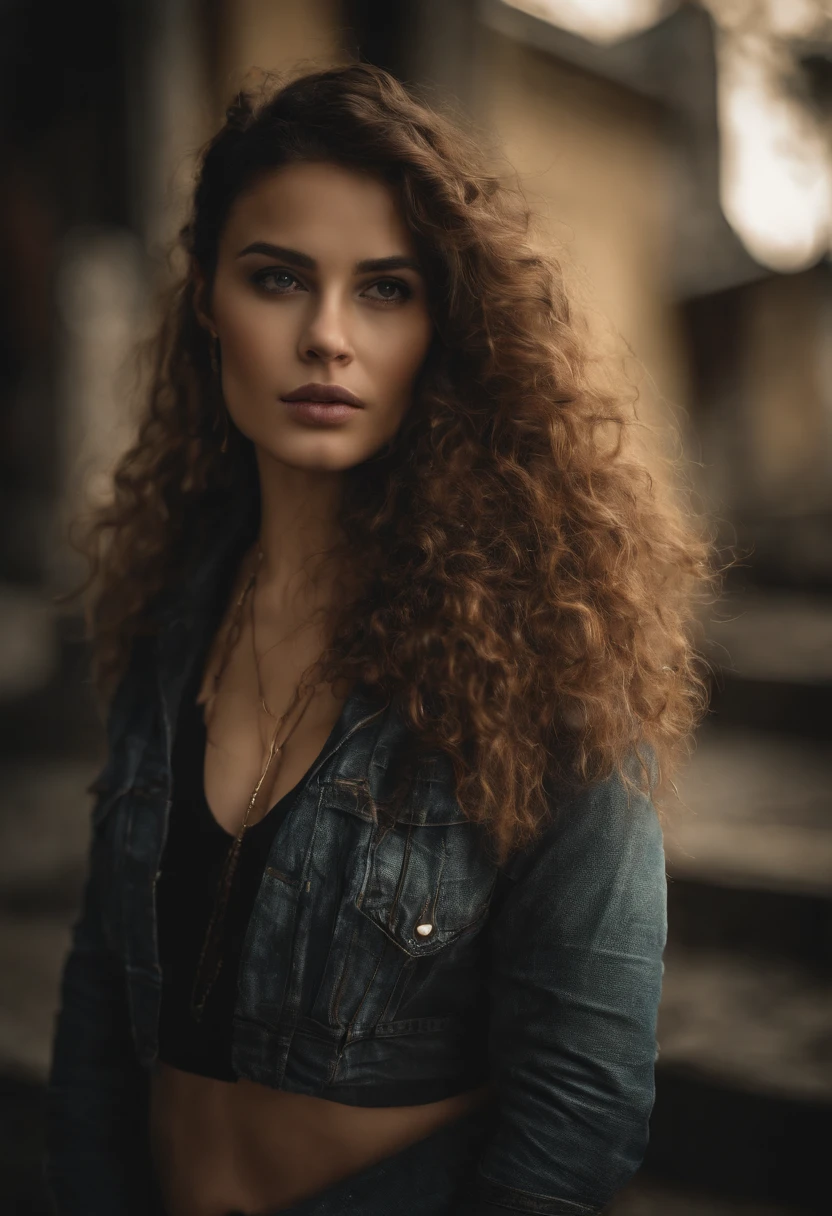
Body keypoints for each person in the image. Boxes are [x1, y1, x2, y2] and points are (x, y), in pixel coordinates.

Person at [45, 62, 719, 1216]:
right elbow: (105, 998)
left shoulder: (546, 659)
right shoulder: (172, 610)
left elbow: (581, 1100)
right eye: (277, 279)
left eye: (385, 291)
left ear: (444, 322)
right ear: (208, 297)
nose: (325, 336)